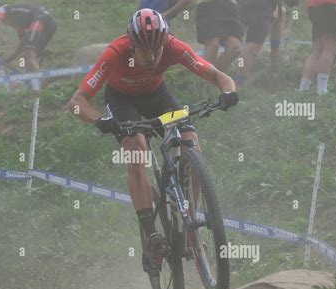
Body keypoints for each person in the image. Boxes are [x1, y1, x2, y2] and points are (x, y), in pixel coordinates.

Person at [67, 9, 238, 275]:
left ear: (165, 41)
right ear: (131, 45)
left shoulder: (173, 47)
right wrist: (100, 120)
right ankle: (151, 235)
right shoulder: (114, 53)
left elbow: (218, 76)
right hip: (122, 102)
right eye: (144, 51)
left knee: (190, 140)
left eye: (157, 50)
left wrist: (228, 93)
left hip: (157, 97)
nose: (151, 57)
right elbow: (76, 103)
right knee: (137, 149)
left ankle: (190, 219)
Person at [0, 0, 56, 90]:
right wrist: (11, 58)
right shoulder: (14, 18)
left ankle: (36, 89)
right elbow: (23, 41)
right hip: (48, 23)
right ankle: (34, 85)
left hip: (41, 19)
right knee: (27, 55)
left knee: (29, 53)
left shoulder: (0, 10)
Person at [299, 0, 336, 95]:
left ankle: (303, 89)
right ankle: (321, 91)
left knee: (316, 50)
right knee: (329, 49)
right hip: (332, 4)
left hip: (313, 6)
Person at [195, 0, 244, 71]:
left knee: (235, 48)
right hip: (207, 5)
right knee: (213, 46)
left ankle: (212, 77)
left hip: (230, 6)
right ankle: (206, 78)